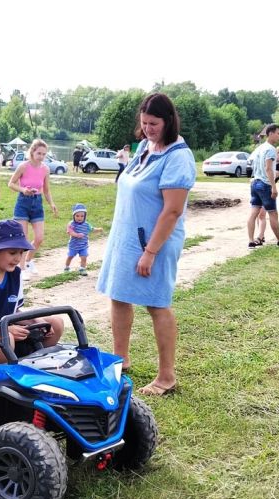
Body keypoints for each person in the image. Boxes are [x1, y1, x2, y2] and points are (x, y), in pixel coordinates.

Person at [97, 93, 196, 396]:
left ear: (168, 122)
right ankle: (121, 361)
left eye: (154, 124)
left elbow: (172, 211)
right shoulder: (144, 148)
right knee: (118, 295)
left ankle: (167, 376)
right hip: (126, 238)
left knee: (156, 304)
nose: (148, 128)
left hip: (155, 243)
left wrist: (150, 251)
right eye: (144, 123)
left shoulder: (178, 157)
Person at [0, 220, 64, 364]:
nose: (18, 258)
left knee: (56, 323)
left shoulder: (15, 273)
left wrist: (35, 320)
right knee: (5, 339)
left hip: (8, 329)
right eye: (12, 252)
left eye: (21, 253)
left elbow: (14, 311)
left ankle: (36, 363)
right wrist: (5, 330)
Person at [7, 139, 58, 278]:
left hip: (37, 203)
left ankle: (28, 261)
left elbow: (46, 190)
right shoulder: (23, 166)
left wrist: (52, 203)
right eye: (39, 153)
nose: (41, 156)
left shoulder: (45, 169)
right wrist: (23, 189)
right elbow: (10, 184)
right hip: (23, 203)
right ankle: (21, 269)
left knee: (39, 238)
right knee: (23, 238)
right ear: (32, 152)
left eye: (44, 154)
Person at [247, 123, 279, 249]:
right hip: (265, 184)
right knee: (273, 214)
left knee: (253, 212)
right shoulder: (271, 149)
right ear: (270, 133)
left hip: (255, 183)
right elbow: (268, 168)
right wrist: (273, 187)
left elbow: (252, 163)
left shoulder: (260, 148)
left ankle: (251, 241)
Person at [253, 145, 279, 245]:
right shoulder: (269, 162)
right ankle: (261, 236)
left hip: (269, 190)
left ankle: (260, 238)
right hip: (262, 189)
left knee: (265, 214)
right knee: (260, 215)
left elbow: (271, 175)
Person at [64, 203, 102, 275]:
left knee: (84, 257)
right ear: (74, 216)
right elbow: (70, 232)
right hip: (74, 245)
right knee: (70, 256)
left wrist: (98, 229)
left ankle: (82, 269)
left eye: (82, 216)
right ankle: (67, 267)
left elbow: (92, 229)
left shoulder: (86, 224)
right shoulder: (71, 224)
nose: (79, 218)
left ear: (84, 216)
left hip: (83, 245)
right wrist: (76, 235)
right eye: (77, 216)